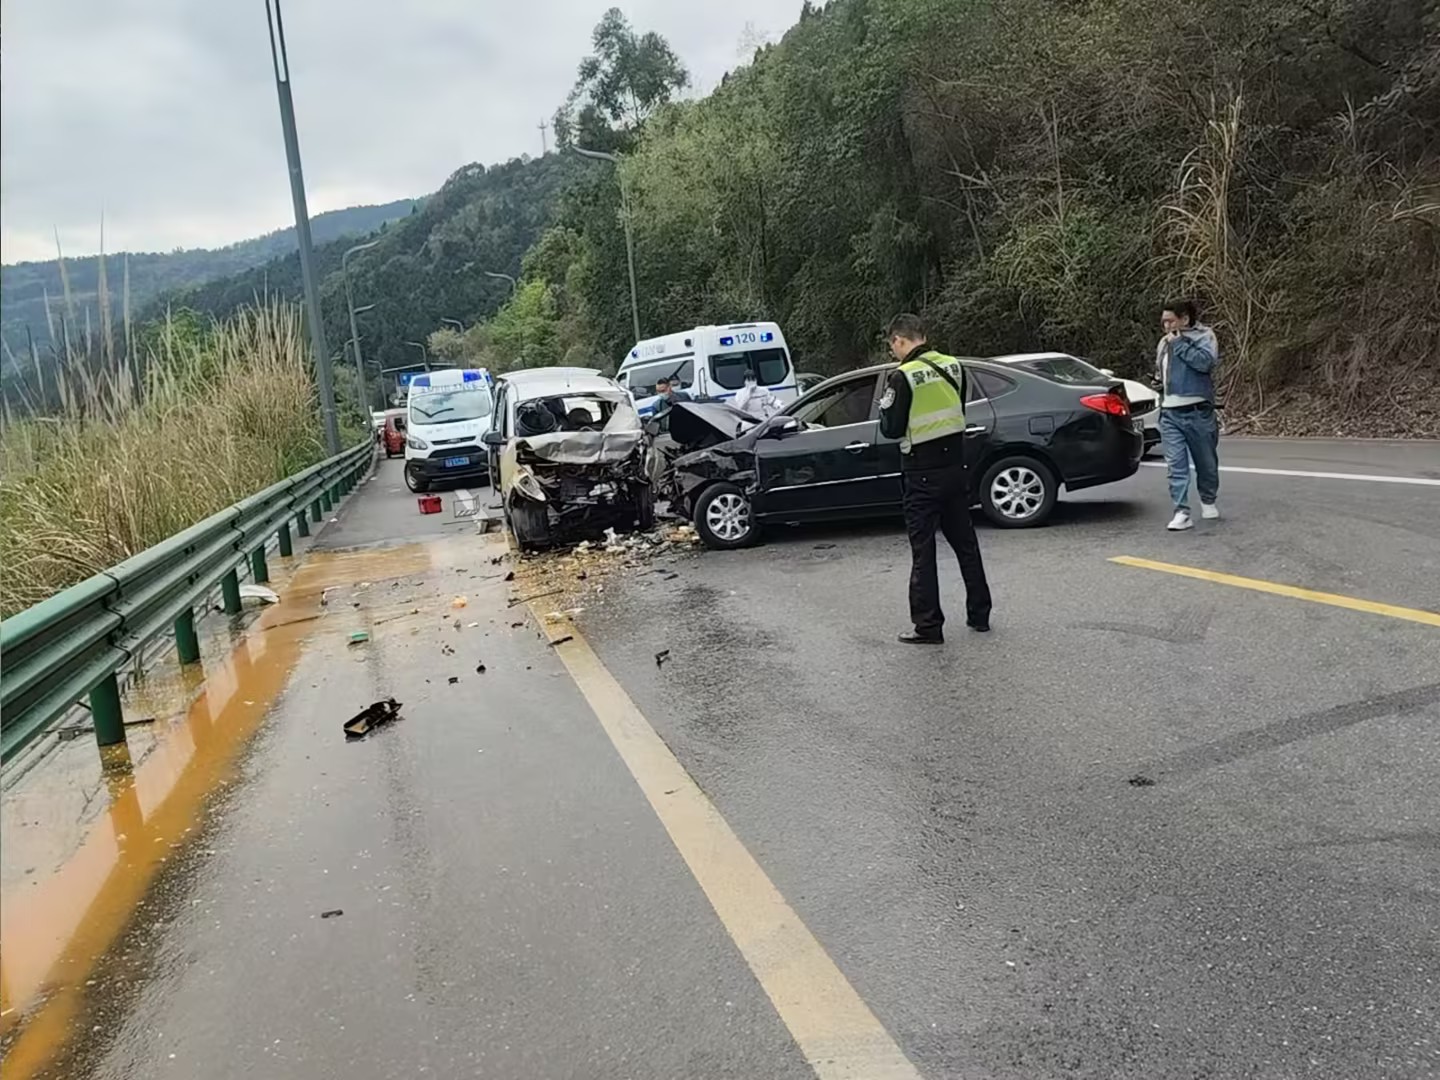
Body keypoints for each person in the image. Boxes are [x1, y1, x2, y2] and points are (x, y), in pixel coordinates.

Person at [878, 313, 992, 644]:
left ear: (899, 340)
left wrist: (886, 410)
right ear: (923, 336)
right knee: (966, 544)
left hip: (921, 473)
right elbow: (957, 409)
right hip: (955, 467)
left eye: (892, 346)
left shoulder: (903, 376)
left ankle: (928, 626)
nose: (893, 351)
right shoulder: (954, 366)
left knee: (923, 551)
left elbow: (891, 429)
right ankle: (980, 614)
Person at [1156, 299, 1221, 531]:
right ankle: (1181, 511)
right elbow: (1161, 372)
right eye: (1164, 322)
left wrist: (1180, 344)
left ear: (1185, 319)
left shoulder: (1204, 336)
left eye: (1171, 321)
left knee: (1206, 463)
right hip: (1170, 412)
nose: (1167, 326)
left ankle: (1208, 499)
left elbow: (1205, 363)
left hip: (1198, 410)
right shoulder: (1164, 342)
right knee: (1176, 465)